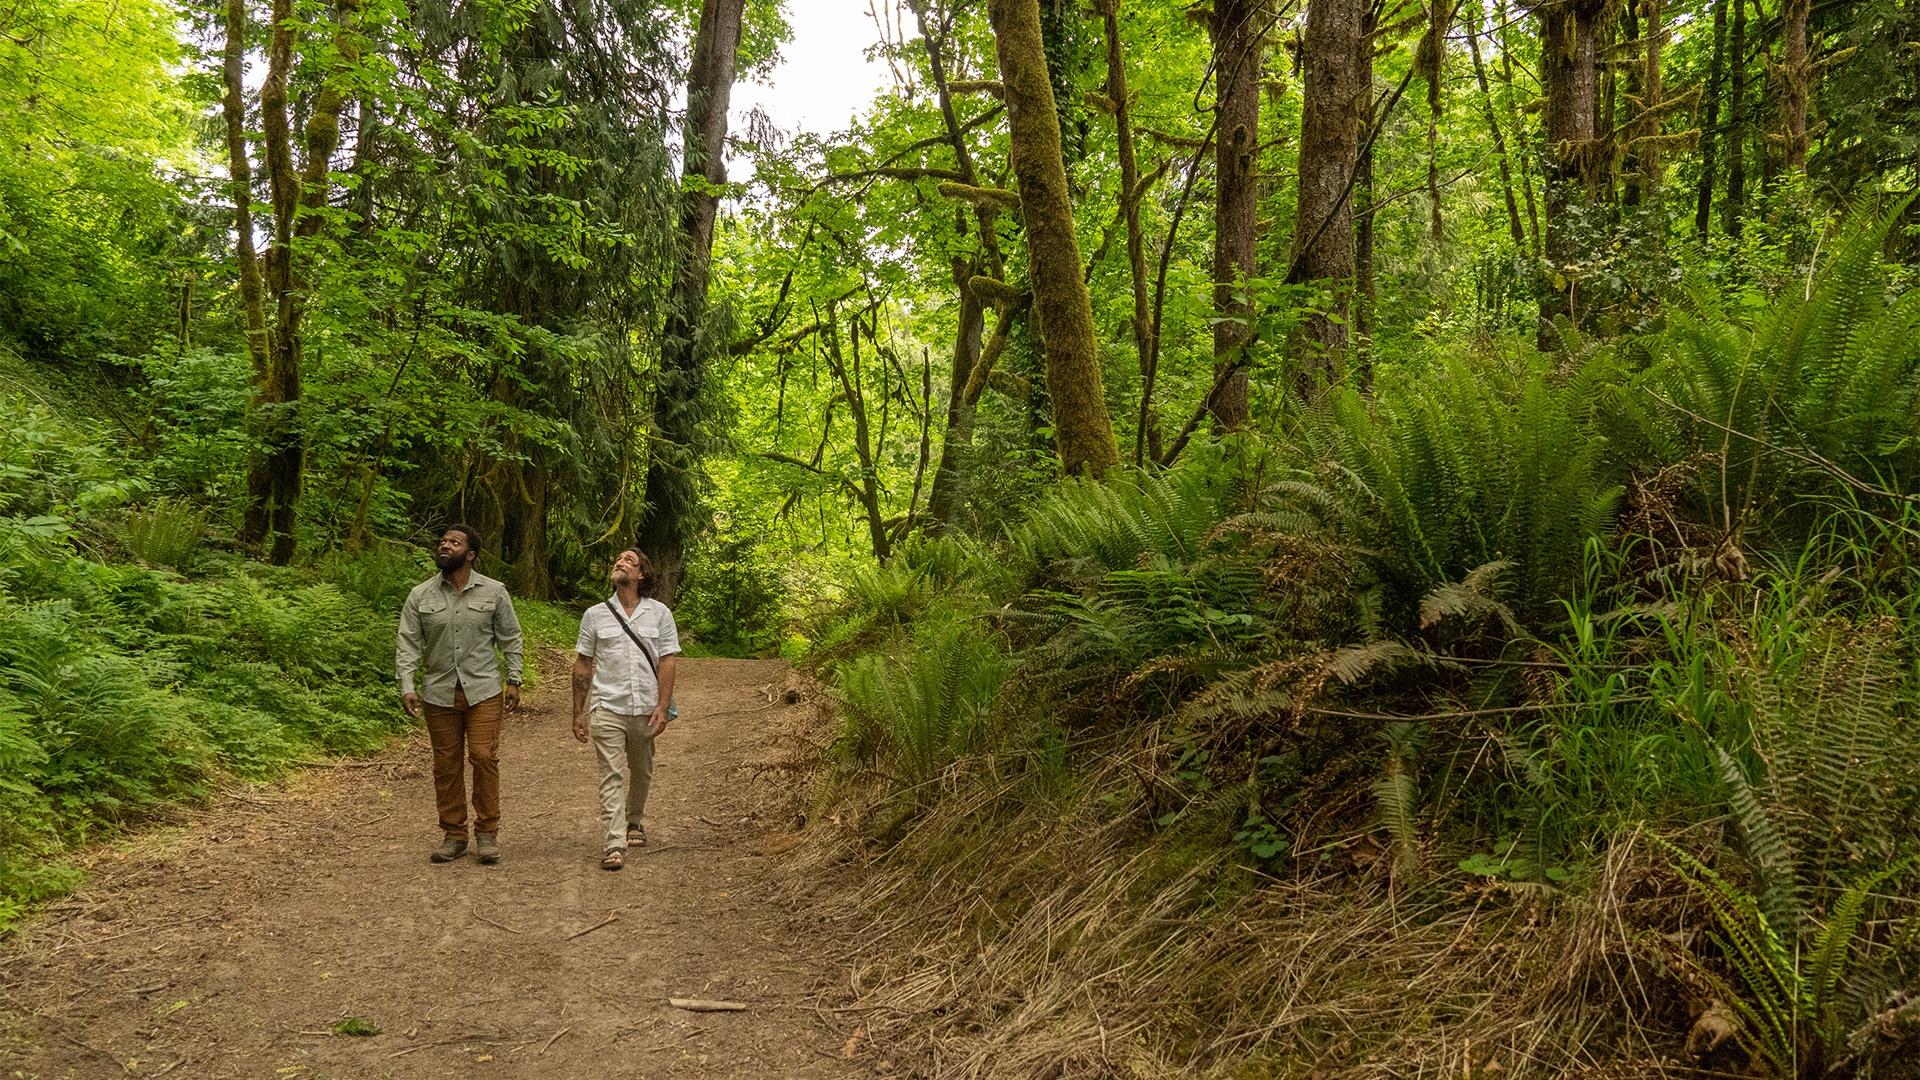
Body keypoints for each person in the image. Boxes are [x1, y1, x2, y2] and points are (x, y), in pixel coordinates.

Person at [396, 525, 524, 865]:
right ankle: (454, 835)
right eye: (443, 541)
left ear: (470, 554)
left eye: (454, 542)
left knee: (483, 757)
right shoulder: (420, 595)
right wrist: (407, 685)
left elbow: (510, 637)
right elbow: (408, 643)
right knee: (446, 765)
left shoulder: (494, 592)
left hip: (483, 690)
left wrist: (514, 679)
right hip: (439, 693)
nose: (445, 546)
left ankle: (487, 833)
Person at [571, 547, 680, 871]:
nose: (620, 563)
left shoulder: (660, 613)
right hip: (607, 705)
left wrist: (662, 705)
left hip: (646, 707)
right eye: (617, 560)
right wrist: (578, 711)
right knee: (611, 774)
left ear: (641, 574)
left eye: (628, 561)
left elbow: (668, 661)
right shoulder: (595, 615)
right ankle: (614, 842)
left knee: (642, 769)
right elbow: (582, 664)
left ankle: (635, 820)